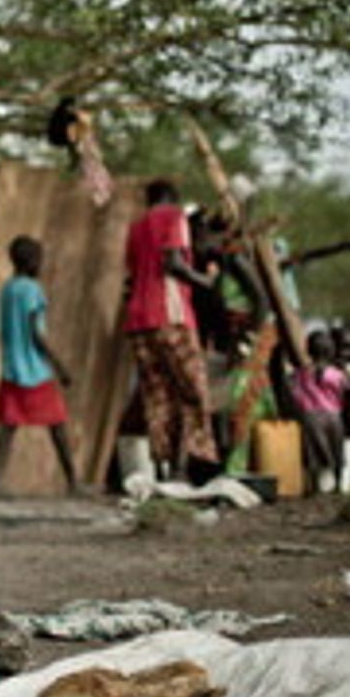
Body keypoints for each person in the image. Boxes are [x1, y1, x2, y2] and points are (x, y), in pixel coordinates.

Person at [123, 179, 219, 480]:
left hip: (139, 322)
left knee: (157, 395)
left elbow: (133, 273)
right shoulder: (174, 217)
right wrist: (205, 282)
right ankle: (195, 463)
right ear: (172, 197)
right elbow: (173, 262)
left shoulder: (135, 228)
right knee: (194, 391)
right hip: (170, 315)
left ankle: (163, 469)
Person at [0, 236, 78, 493]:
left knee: (8, 426)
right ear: (33, 261)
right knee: (57, 426)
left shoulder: (8, 289)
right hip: (35, 371)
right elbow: (37, 334)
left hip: (11, 369)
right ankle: (73, 482)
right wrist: (60, 366)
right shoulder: (32, 290)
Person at [292, 330, 350, 493]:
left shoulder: (302, 373)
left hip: (311, 417)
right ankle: (338, 485)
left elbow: (296, 395)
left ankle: (314, 487)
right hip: (333, 416)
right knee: (337, 451)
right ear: (331, 351)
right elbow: (346, 390)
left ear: (309, 351)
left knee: (311, 453)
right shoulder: (337, 374)